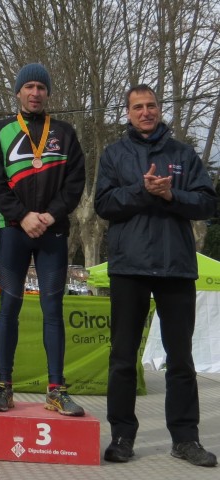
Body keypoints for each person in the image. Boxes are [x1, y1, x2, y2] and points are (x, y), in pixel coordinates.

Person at [95, 84, 218, 467]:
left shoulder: (183, 153)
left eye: (151, 106)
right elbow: (103, 204)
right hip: (129, 267)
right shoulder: (114, 154)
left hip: (176, 268)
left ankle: (185, 439)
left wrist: (172, 196)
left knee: (180, 359)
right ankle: (122, 436)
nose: (145, 112)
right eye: (138, 107)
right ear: (128, 113)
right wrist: (143, 190)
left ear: (159, 110)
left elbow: (208, 203)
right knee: (122, 357)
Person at [0, 64, 86, 415]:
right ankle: (3, 387)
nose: (35, 93)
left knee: (52, 311)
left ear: (48, 93)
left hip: (52, 231)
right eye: (29, 86)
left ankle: (56, 390)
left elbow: (75, 183)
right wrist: (22, 216)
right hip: (14, 230)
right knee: (8, 308)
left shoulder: (65, 132)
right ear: (18, 92)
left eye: (41, 87)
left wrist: (50, 215)